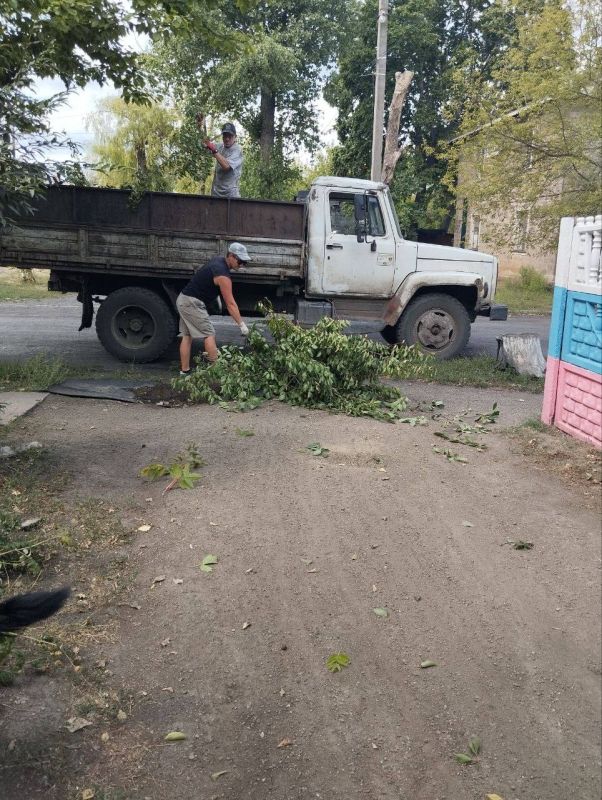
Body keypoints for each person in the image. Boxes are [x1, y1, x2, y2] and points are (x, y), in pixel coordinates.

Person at [176, 242, 251, 375]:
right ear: (232, 256)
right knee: (209, 334)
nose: (242, 265)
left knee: (187, 336)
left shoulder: (219, 261)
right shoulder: (223, 275)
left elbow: (207, 279)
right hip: (192, 303)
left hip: (184, 299)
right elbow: (231, 304)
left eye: (244, 262)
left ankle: (184, 371)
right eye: (240, 261)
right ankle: (217, 373)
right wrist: (242, 324)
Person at [200, 120, 244, 199]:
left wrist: (214, 150)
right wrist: (200, 127)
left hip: (231, 196)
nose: (227, 139)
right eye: (225, 136)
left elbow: (226, 166)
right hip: (216, 195)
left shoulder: (237, 150)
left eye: (230, 136)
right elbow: (205, 143)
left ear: (235, 137)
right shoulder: (220, 146)